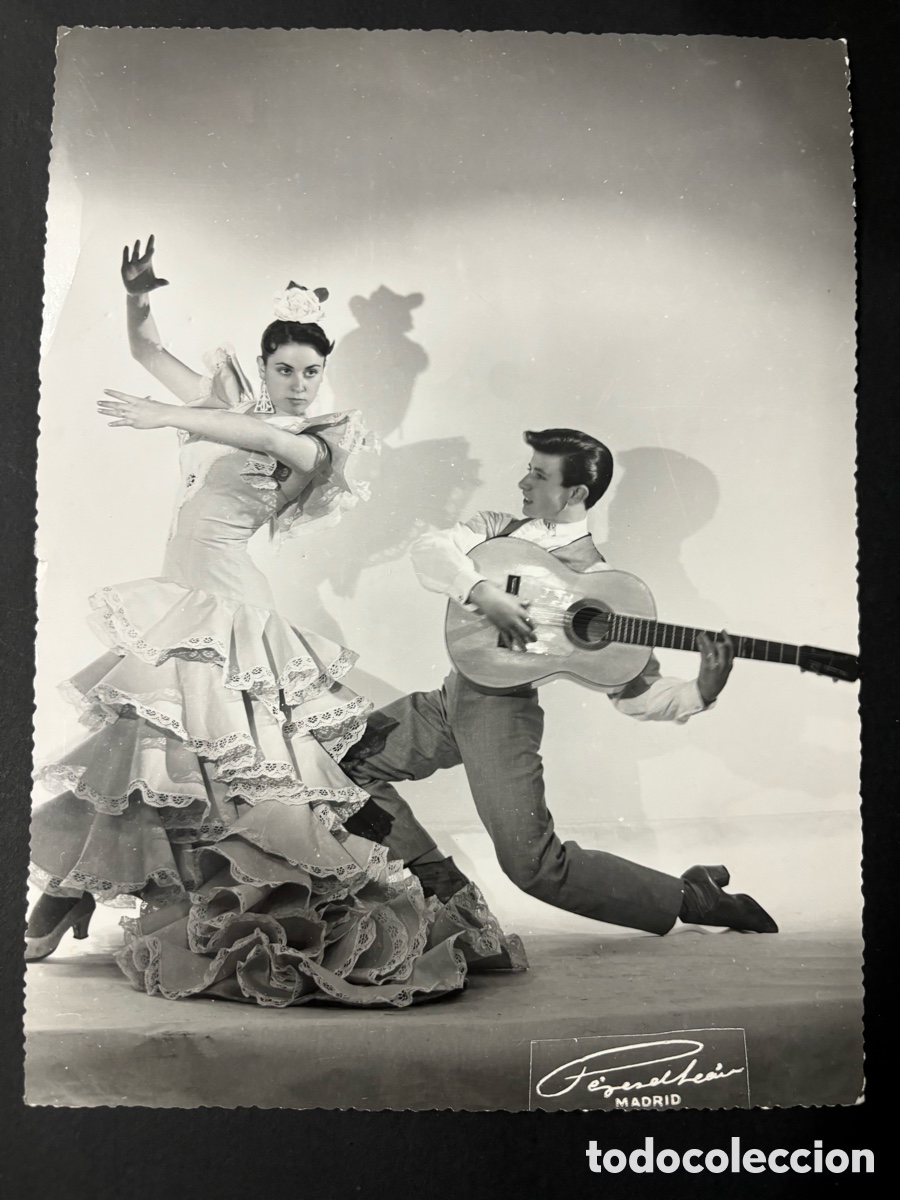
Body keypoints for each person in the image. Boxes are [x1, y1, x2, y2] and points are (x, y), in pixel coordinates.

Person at [26, 237, 524, 1006]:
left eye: (311, 372)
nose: (298, 384)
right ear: (264, 367)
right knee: (143, 742)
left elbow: (257, 437)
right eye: (285, 369)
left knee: (243, 768)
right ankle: (73, 890)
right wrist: (137, 296)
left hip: (231, 606)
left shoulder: (318, 443)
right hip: (181, 597)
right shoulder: (225, 405)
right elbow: (147, 347)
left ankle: (75, 898)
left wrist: (170, 415)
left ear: (325, 375)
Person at [342, 427, 779, 936]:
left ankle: (691, 897)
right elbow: (430, 550)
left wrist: (703, 689)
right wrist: (483, 592)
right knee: (344, 764)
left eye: (539, 474)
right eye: (529, 467)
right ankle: (442, 895)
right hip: (450, 700)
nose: (524, 481)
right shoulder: (498, 528)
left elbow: (635, 692)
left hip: (500, 716)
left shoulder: (608, 587)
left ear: (576, 493)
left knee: (534, 867)